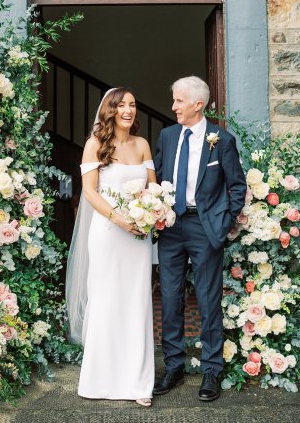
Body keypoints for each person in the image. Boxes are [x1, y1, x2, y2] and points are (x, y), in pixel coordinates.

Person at [153, 76, 246, 401]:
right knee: (170, 296)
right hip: (171, 227)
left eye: (179, 100)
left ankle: (210, 371)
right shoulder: (166, 135)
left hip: (205, 228)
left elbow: (237, 186)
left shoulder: (221, 140)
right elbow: (159, 177)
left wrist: (223, 222)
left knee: (207, 300)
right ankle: (174, 367)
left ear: (197, 104)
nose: (174, 106)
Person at [66, 88, 156, 407]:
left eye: (132, 104)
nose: (128, 110)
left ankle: (139, 383)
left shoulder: (142, 144)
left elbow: (153, 187)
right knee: (106, 301)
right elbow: (90, 192)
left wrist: (155, 209)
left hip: (138, 237)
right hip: (107, 232)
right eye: (122, 105)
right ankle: (99, 380)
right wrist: (118, 218)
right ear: (110, 110)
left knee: (137, 303)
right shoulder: (95, 144)